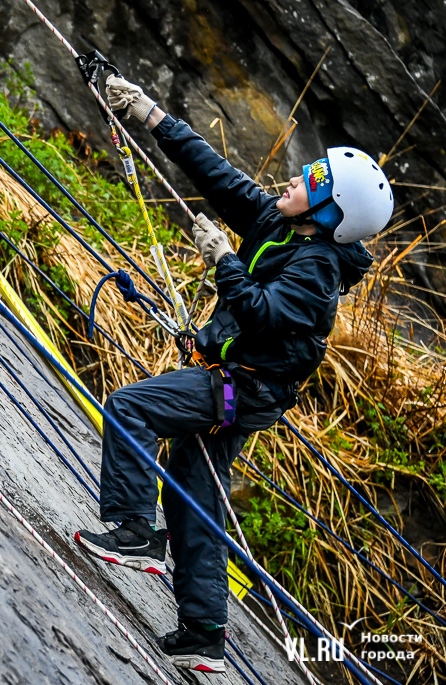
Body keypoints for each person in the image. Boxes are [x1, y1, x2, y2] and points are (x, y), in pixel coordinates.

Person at [73, 75, 393, 673]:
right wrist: (149, 114)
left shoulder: (318, 271)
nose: (296, 180)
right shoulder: (281, 223)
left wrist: (223, 259)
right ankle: (204, 634)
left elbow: (264, 315)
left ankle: (134, 528)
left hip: (239, 390)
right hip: (233, 380)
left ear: (329, 212)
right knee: (194, 492)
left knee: (130, 408)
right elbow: (218, 176)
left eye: (312, 182)